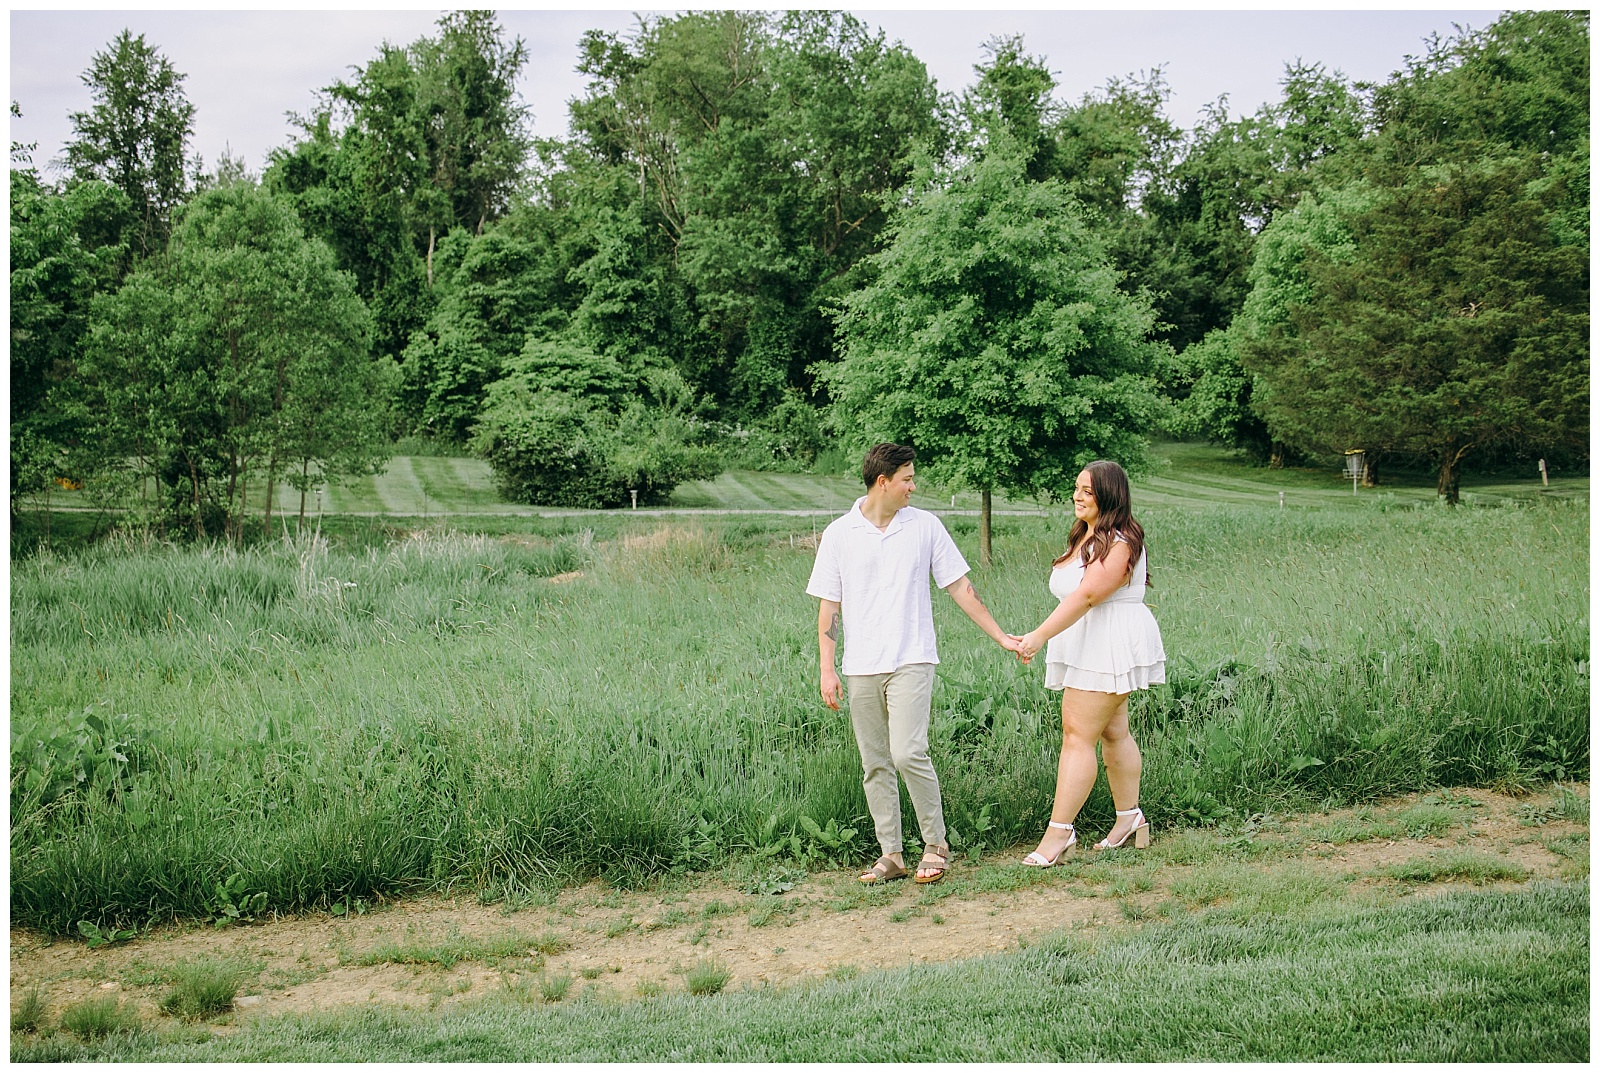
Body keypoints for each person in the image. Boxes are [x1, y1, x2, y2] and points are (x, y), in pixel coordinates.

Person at [807, 443, 1023, 885]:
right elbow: (830, 607)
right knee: (875, 762)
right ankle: (891, 854)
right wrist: (827, 669)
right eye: (907, 478)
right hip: (861, 666)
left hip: (912, 659)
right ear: (882, 482)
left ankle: (935, 843)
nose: (914, 485)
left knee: (908, 752)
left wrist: (1001, 635)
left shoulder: (925, 526)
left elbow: (960, 588)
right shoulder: (839, 533)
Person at [1014, 460, 1165, 864]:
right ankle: (1129, 818)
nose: (1078, 496)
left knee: (1076, 734)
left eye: (1087, 490)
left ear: (1109, 495)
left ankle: (1059, 834)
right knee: (1114, 732)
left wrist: (1037, 637)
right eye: (1076, 488)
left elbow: (1087, 596)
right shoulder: (1086, 534)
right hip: (1088, 640)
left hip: (1110, 641)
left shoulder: (1120, 542)